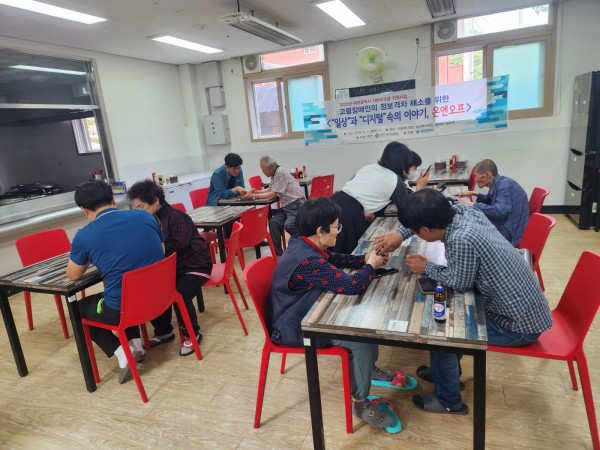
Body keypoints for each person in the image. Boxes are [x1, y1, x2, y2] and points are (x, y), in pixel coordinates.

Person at [373, 189, 552, 415]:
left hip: (517, 325)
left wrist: (426, 266)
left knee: (441, 335)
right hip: (526, 308)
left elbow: (459, 283)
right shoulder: (464, 212)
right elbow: (436, 214)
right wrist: (402, 233)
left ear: (425, 230)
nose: (416, 234)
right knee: (445, 318)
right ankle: (444, 373)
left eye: (416, 231)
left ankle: (448, 401)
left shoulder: (461, 239)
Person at [267, 197, 417, 430]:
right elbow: (352, 286)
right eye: (336, 227)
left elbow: (333, 259)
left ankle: (368, 370)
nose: (339, 231)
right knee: (358, 337)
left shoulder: (304, 243)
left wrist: (365, 259)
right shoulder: (308, 261)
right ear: (321, 231)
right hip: (292, 327)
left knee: (364, 320)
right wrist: (370, 266)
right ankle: (360, 403)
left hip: (302, 311)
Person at [66, 180, 165, 384]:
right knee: (123, 290)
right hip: (159, 296)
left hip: (125, 308)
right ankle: (136, 346)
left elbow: (73, 275)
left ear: (84, 209)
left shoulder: (85, 235)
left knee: (78, 308)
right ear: (113, 199)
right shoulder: (145, 216)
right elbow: (161, 251)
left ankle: (122, 352)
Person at [127, 179, 213, 356]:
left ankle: (192, 334)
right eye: (137, 207)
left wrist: (153, 248)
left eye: (141, 206)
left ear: (155, 200)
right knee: (154, 289)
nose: (139, 211)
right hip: (173, 268)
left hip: (196, 265)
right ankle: (164, 332)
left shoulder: (176, 216)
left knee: (179, 294)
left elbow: (179, 245)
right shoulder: (150, 219)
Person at [329, 141, 428, 254]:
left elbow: (353, 190)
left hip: (333, 201)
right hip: (349, 215)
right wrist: (420, 190)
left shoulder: (369, 167)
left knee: (327, 247)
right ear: (402, 163)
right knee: (344, 252)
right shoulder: (394, 180)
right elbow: (408, 209)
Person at [456, 159, 529, 247]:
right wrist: (474, 194)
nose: (475, 179)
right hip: (511, 225)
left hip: (511, 235)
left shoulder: (503, 187)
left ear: (487, 174)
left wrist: (471, 204)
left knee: (471, 233)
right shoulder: (501, 182)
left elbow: (499, 212)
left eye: (476, 176)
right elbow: (493, 201)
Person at [244, 156, 305, 256]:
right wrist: (257, 191)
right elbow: (271, 189)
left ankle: (305, 242)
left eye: (263, 169)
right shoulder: (275, 173)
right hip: (287, 207)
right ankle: (278, 255)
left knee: (289, 225)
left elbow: (273, 194)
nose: (262, 172)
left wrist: (253, 196)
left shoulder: (280, 172)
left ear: (270, 168)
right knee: (273, 223)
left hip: (296, 204)